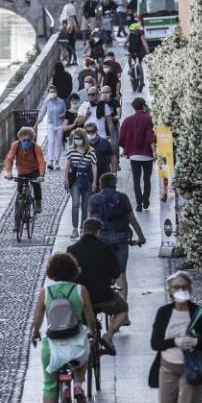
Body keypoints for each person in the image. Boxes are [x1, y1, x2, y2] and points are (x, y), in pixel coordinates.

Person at [30, 253, 98, 403]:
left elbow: (37, 320)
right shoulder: (80, 290)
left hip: (52, 347)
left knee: (49, 386)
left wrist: (35, 334)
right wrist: (92, 332)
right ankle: (77, 386)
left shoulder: (46, 292)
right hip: (75, 344)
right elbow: (90, 317)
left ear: (51, 272)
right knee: (83, 355)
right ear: (73, 270)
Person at [149, 271, 202, 403]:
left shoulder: (199, 313)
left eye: (184, 287)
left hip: (191, 369)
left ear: (190, 289)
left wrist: (194, 342)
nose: (181, 290)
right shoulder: (163, 312)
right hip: (167, 368)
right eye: (177, 287)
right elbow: (155, 344)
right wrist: (175, 341)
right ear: (170, 291)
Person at [68, 218, 128, 353]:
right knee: (123, 308)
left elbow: (67, 274)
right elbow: (116, 272)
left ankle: (86, 333)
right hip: (103, 297)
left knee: (80, 315)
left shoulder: (71, 249)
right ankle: (109, 335)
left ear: (84, 230)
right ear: (98, 232)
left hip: (80, 297)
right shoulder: (105, 248)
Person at [88, 173, 146, 304]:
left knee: (101, 271)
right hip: (121, 238)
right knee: (121, 273)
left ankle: (101, 301)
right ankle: (123, 308)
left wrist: (87, 239)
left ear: (100, 184)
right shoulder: (123, 198)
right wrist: (141, 237)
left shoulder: (93, 199)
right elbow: (132, 220)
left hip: (102, 238)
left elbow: (89, 222)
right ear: (114, 184)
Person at [118, 97, 156, 212]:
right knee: (147, 179)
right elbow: (150, 136)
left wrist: (124, 150)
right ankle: (146, 200)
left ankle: (139, 204)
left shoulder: (128, 120)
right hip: (147, 154)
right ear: (144, 106)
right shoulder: (148, 118)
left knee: (136, 179)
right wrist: (154, 151)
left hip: (134, 155)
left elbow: (122, 138)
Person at [64, 128, 97, 238]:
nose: (77, 140)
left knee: (85, 205)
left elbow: (94, 167)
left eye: (79, 138)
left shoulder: (90, 151)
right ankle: (74, 229)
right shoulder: (71, 150)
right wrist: (66, 179)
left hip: (87, 180)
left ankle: (83, 228)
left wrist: (94, 182)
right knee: (75, 204)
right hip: (75, 181)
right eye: (75, 138)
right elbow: (67, 165)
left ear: (84, 138)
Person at [5, 127, 46, 213]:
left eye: (28, 140)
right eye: (24, 140)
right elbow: (10, 159)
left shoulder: (36, 148)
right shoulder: (15, 145)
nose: (26, 142)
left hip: (34, 170)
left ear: (32, 140)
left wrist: (41, 175)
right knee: (20, 193)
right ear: (20, 139)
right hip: (21, 170)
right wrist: (9, 172)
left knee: (36, 185)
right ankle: (18, 217)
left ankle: (38, 202)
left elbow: (41, 162)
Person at [37, 85, 67, 170]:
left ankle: (57, 161)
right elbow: (42, 112)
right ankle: (50, 161)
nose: (52, 93)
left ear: (56, 92)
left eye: (53, 92)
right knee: (51, 142)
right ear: (48, 93)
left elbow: (65, 113)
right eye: (50, 92)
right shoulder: (47, 102)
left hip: (59, 124)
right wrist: (37, 123)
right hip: (50, 124)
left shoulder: (61, 102)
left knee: (58, 143)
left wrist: (62, 115)